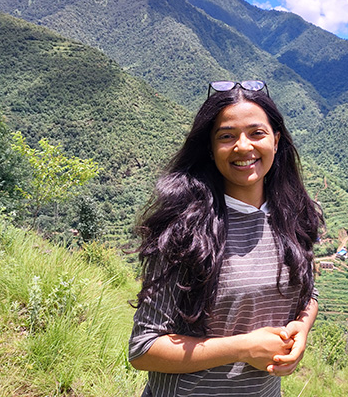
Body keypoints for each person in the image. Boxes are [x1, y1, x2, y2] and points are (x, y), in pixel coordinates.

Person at [129, 80, 323, 396]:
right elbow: (143, 347)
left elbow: (310, 294)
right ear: (210, 148)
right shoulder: (186, 229)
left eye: (256, 133)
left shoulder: (292, 217)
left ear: (275, 140)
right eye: (227, 136)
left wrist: (301, 329)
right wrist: (242, 348)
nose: (243, 146)